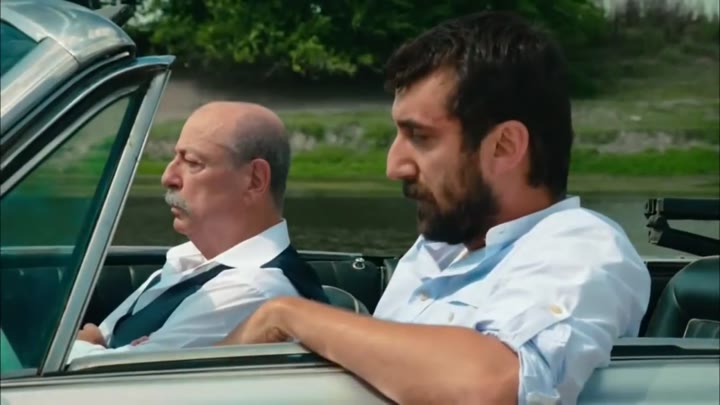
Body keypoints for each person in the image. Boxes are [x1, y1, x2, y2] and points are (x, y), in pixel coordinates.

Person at [216, 12, 651, 405]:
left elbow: (491, 385)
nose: (394, 166)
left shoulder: (581, 246)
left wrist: (286, 314)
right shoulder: (437, 249)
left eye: (420, 137)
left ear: (504, 146)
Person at [69, 101, 328, 362]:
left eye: (192, 162)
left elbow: (101, 370)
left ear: (254, 179)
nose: (168, 177)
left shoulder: (250, 288)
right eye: (175, 158)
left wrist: (87, 345)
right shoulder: (191, 261)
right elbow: (101, 344)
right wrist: (92, 345)